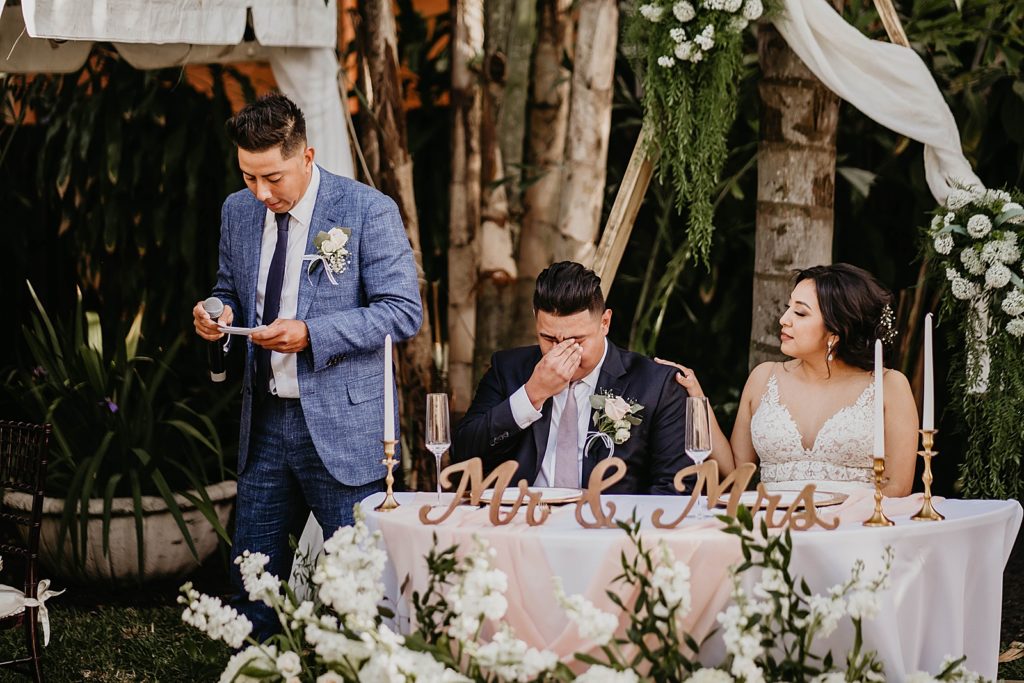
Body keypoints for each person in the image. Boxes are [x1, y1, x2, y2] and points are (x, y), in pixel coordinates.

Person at [191, 93, 422, 640]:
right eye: (248, 177)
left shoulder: (368, 210)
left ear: (308, 156)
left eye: (272, 177)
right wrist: (218, 311)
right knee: (254, 577)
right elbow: (230, 289)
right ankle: (254, 665)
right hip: (266, 422)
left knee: (358, 584)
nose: (261, 192)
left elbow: (402, 312)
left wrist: (313, 333)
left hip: (343, 427)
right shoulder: (237, 210)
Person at [658, 263, 917, 496]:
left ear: (836, 331)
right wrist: (696, 394)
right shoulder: (763, 377)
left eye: (800, 313)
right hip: (775, 526)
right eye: (788, 309)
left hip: (854, 529)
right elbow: (736, 471)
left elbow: (899, 486)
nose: (784, 320)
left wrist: (846, 518)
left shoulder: (889, 385)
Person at [452, 261, 691, 494]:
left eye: (576, 341)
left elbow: (676, 486)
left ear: (604, 322)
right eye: (549, 339)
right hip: (522, 522)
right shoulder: (507, 368)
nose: (561, 352)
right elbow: (462, 455)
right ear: (535, 317)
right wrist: (531, 394)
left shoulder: (655, 384)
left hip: (608, 526)